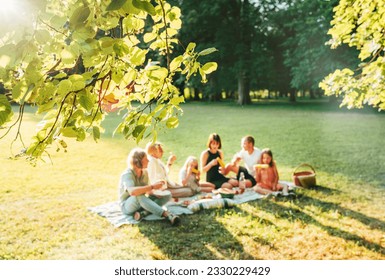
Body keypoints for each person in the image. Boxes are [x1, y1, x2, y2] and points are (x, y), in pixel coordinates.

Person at [118, 148, 180, 225]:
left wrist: (155, 193)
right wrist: (152, 186)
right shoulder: (127, 174)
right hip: (127, 205)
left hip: (141, 202)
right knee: (138, 196)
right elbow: (132, 192)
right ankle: (167, 214)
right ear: (138, 161)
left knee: (167, 194)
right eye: (146, 159)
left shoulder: (144, 172)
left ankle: (144, 213)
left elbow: (147, 191)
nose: (148, 160)